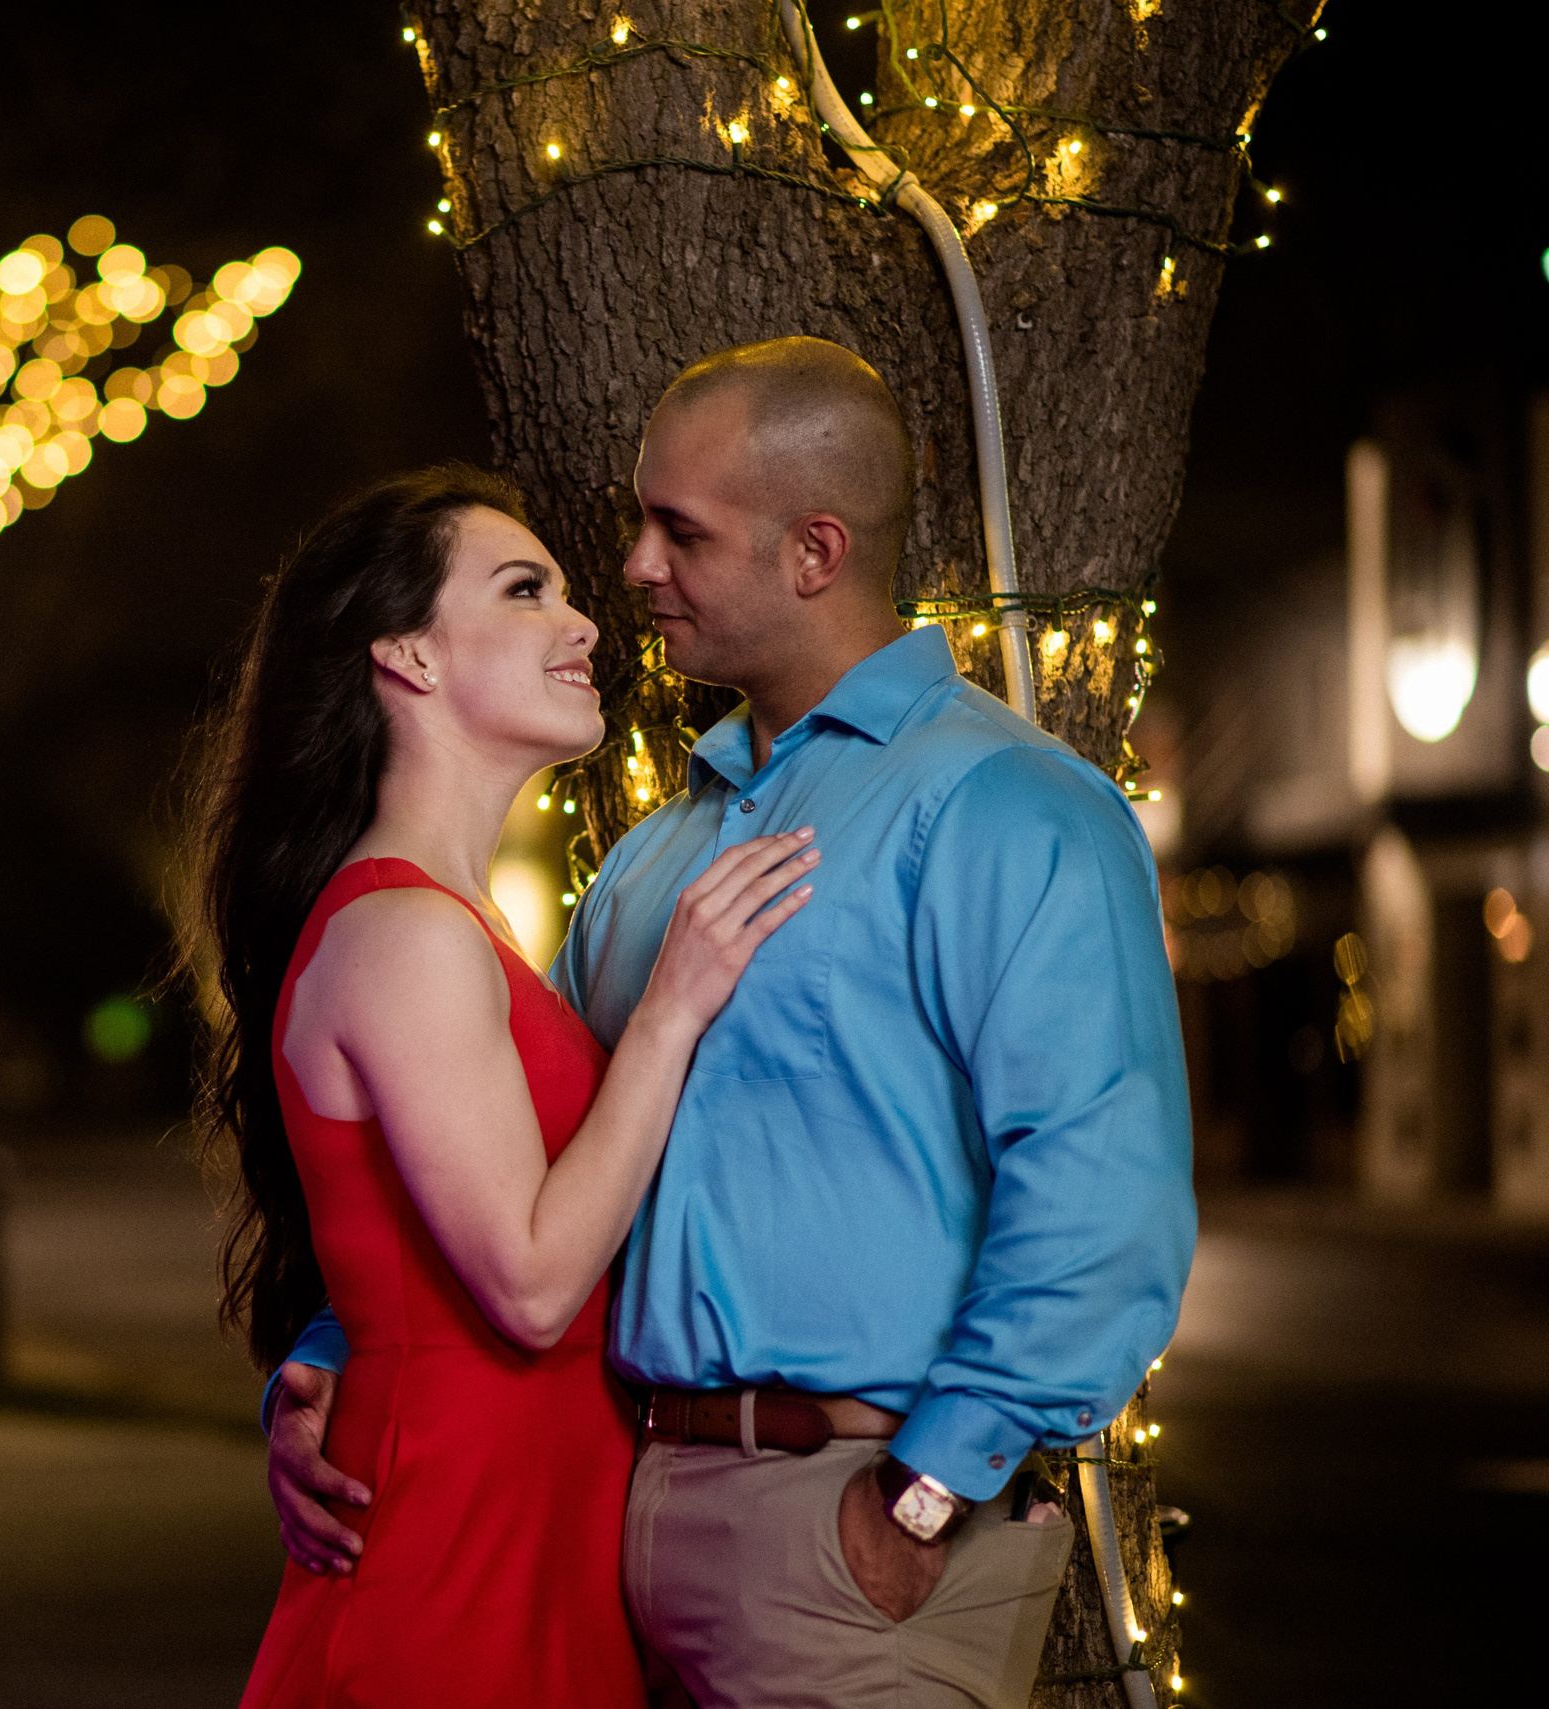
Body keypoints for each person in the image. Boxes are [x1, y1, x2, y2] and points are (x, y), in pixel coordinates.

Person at [265, 339, 1196, 1709]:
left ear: (814, 550)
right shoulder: (651, 865)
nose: (634, 569)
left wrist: (920, 1501)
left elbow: (1103, 1200)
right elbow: (517, 1173)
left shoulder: (1007, 807)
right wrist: (336, 1362)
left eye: (676, 532)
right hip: (614, 1518)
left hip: (851, 1532)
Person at [184, 464, 818, 1709]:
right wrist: (670, 1010)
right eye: (525, 590)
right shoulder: (402, 930)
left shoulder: (449, 925)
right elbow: (527, 1285)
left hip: (531, 1520)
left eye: (568, 593)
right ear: (407, 657)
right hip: (454, 1544)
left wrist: (313, 1359)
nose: (583, 623)